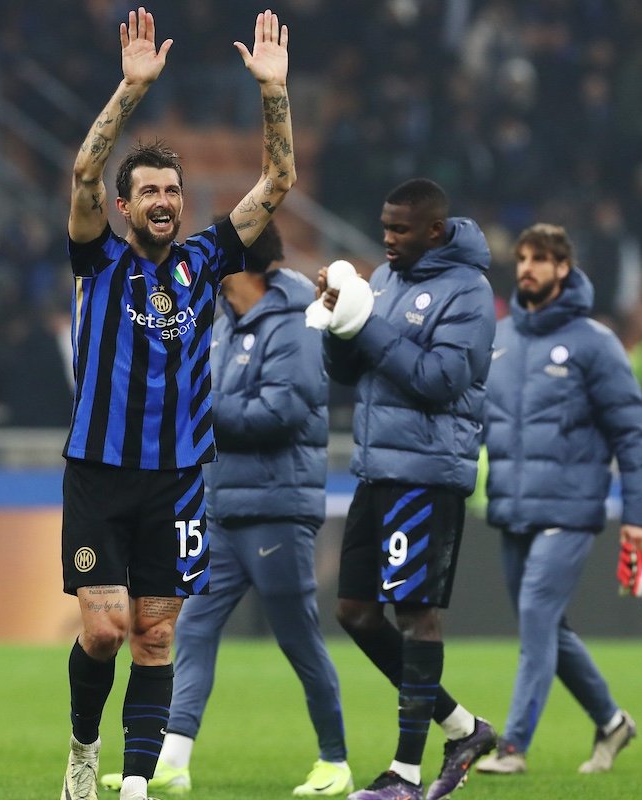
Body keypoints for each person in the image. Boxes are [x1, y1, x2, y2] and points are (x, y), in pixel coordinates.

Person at [60, 8, 295, 800]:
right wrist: (130, 92)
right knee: (104, 631)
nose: (163, 198)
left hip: (178, 478)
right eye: (148, 190)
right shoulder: (97, 262)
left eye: (172, 188)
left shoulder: (206, 258)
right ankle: (84, 747)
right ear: (124, 208)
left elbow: (279, 182)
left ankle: (131, 785)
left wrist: (274, 95)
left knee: (155, 636)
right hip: (99, 472)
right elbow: (84, 174)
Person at [99, 221, 352, 796]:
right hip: (224, 503)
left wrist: (200, 408)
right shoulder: (221, 325)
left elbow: (281, 414)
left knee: (298, 638)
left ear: (241, 266)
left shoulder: (297, 324)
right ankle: (173, 758)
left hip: (277, 507)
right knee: (195, 632)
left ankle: (335, 760)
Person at [315, 179, 498, 800]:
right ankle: (464, 728)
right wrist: (337, 321)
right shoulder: (386, 280)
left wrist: (365, 327)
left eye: (400, 230)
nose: (387, 239)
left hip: (427, 472)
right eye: (385, 227)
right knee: (355, 613)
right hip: (377, 468)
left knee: (417, 616)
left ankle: (406, 775)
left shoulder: (470, 293)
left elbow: (438, 378)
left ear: (435, 232)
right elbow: (347, 370)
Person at [474, 224, 642, 777]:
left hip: (572, 510)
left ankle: (513, 747)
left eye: (540, 259)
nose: (527, 266)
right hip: (512, 507)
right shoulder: (499, 340)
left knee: (536, 614)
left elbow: (635, 433)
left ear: (563, 268)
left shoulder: (594, 343)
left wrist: (641, 515)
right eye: (523, 256)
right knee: (547, 627)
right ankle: (611, 722)